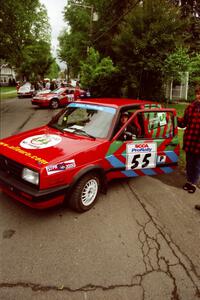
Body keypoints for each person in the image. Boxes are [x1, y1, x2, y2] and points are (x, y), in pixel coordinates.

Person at [178, 84, 200, 203]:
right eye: (197, 93)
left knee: (197, 164)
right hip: (190, 139)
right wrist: (174, 119)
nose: (198, 95)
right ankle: (188, 180)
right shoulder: (190, 107)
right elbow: (184, 122)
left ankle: (193, 183)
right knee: (189, 162)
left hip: (199, 142)